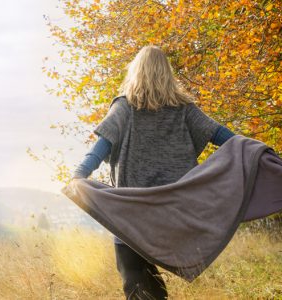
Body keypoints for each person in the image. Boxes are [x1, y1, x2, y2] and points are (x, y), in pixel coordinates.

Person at [72, 46, 235, 299]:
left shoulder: (125, 107)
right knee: (148, 288)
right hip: (174, 212)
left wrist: (79, 175)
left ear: (135, 72)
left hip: (133, 213)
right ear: (167, 73)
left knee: (135, 284)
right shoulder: (184, 109)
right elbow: (223, 136)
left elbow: (101, 147)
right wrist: (255, 149)